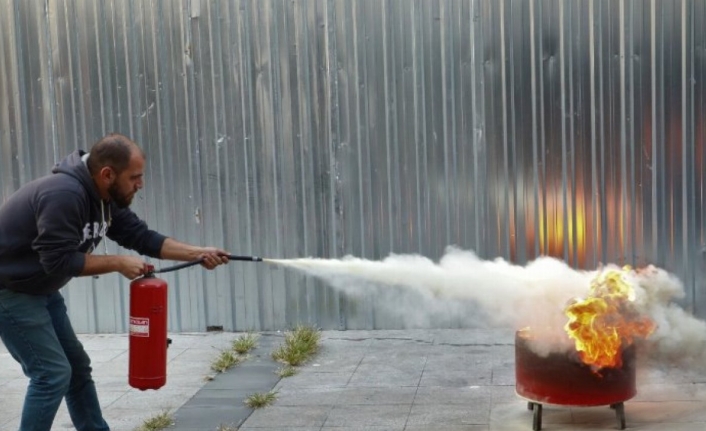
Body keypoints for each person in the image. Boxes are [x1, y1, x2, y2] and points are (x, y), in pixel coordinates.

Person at [0, 133, 229, 431]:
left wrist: (199, 253)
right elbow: (57, 260)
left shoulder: (105, 198)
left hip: (41, 288)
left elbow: (141, 237)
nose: (140, 184)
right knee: (51, 374)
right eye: (135, 177)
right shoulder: (64, 195)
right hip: (10, 290)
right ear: (107, 174)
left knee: (77, 370)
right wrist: (118, 263)